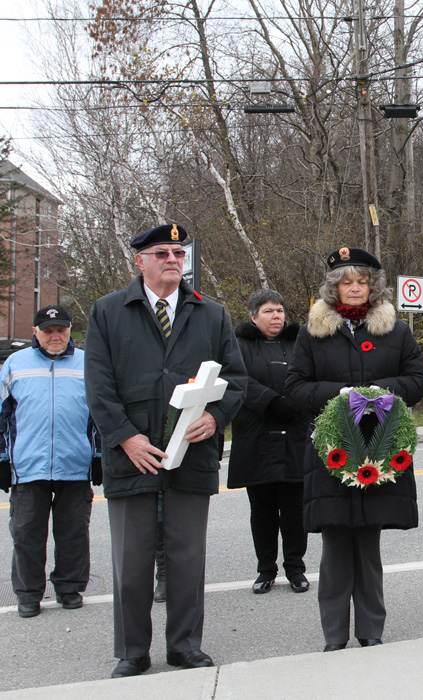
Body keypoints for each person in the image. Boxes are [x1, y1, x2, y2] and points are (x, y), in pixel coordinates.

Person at [85, 224, 247, 678]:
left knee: (186, 557)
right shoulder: (108, 311)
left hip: (191, 454)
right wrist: (124, 437)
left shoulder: (209, 313)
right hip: (131, 454)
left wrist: (215, 419)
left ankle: (184, 646)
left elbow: (238, 379)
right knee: (131, 562)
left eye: (178, 252)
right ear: (140, 261)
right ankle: (132, 651)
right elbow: (98, 385)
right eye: (162, 253)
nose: (173, 259)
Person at [285, 247, 423, 652]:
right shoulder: (313, 332)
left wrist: (380, 393)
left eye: (361, 281)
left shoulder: (395, 330)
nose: (353, 288)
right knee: (334, 548)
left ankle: (371, 630)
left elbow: (418, 380)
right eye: (346, 282)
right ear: (334, 288)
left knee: (367, 545)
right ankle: (334, 636)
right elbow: (294, 388)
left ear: (372, 286)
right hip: (331, 452)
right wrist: (341, 395)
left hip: (379, 448)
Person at [0, 305, 100, 619]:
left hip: (75, 463)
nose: (55, 336)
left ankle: (69, 588)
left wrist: (98, 456)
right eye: (48, 330)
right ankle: (29, 594)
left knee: (73, 532)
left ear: (70, 330)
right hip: (28, 467)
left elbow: (100, 415)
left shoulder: (87, 363)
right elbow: (1, 416)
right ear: (35, 332)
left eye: (61, 330)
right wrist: (3, 459)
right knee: (27, 533)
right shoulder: (15, 364)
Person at [228, 289, 310, 595]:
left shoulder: (300, 343)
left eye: (279, 310)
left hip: (295, 435)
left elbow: (309, 376)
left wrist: (296, 402)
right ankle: (266, 569)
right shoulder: (238, 346)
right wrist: (272, 401)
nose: (276, 316)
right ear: (253, 317)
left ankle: (295, 568)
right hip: (256, 437)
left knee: (294, 509)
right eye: (268, 311)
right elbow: (236, 380)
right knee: (262, 510)